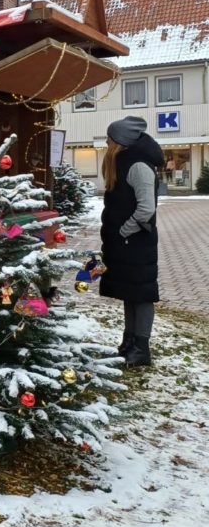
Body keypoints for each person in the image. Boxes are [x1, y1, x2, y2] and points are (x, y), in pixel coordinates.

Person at [99, 116, 164, 366]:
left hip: (137, 243)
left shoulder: (138, 166)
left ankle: (141, 348)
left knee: (142, 295)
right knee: (130, 292)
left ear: (120, 141)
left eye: (110, 138)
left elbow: (146, 208)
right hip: (126, 244)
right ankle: (129, 342)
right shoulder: (122, 162)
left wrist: (124, 231)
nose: (107, 142)